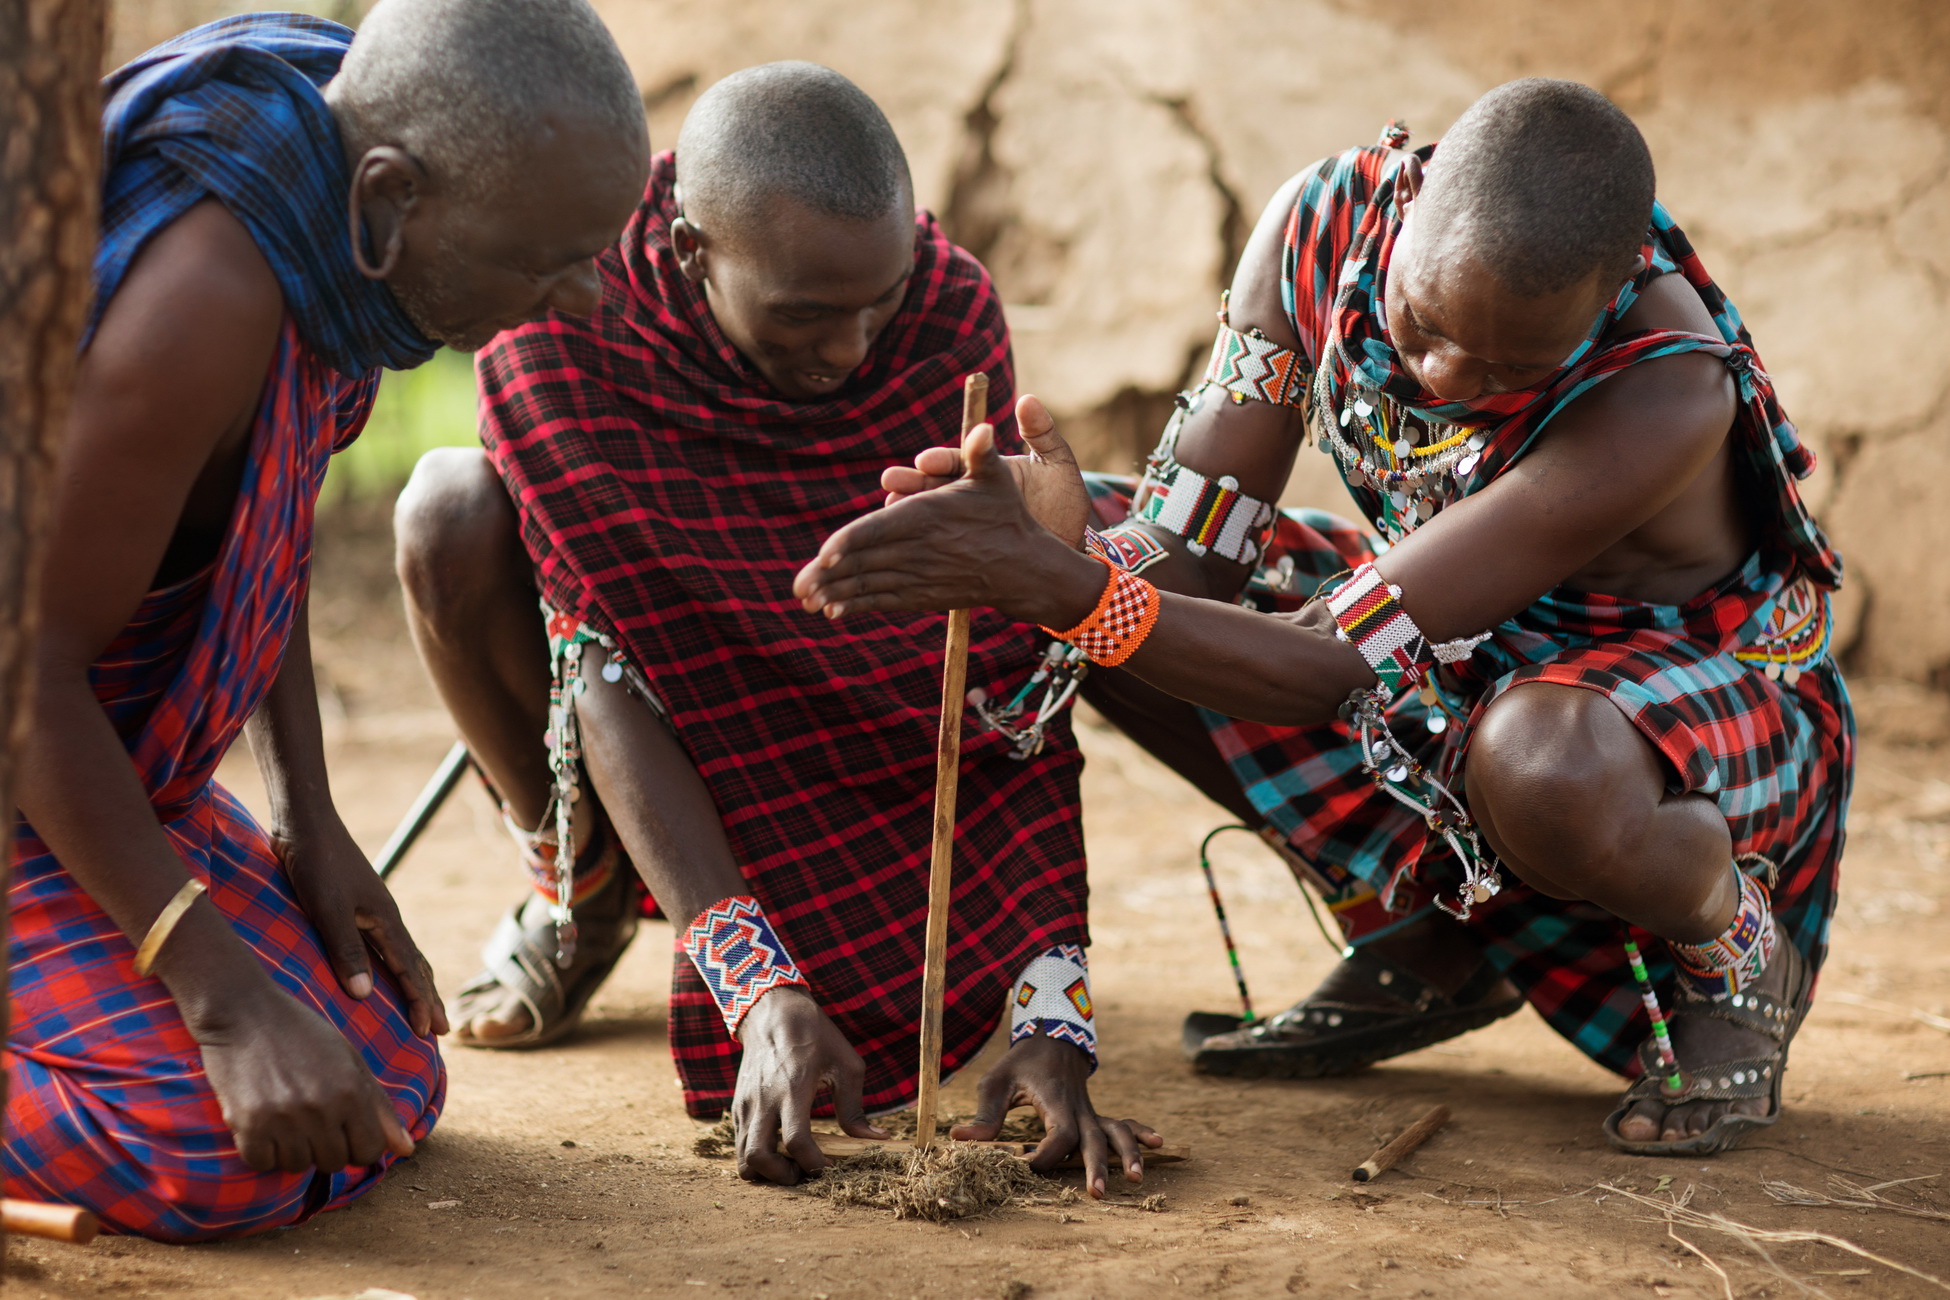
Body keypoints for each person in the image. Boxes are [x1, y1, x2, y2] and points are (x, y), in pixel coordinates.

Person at [794, 79, 1852, 1158]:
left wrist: (1057, 586)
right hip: (1442, 633)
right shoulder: (1316, 228)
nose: (1443, 377)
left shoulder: (1665, 389)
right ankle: (1435, 929)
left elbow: (1335, 663)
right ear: (1405, 219)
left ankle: (1739, 946)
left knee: (1540, 759)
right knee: (1098, 577)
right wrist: (1069, 549)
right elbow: (1193, 551)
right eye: (1423, 325)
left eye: (1506, 367)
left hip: (1671, 700)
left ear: (1614, 290)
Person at [395, 61, 1160, 1195]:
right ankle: (581, 888)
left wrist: (1054, 1003)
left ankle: (673, 903)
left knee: (1122, 544)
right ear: (694, 249)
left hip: (867, 747)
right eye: (805, 312)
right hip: (654, 736)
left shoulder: (947, 312)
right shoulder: (566, 328)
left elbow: (998, 672)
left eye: (876, 303)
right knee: (447, 511)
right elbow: (603, 663)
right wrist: (757, 986)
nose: (853, 349)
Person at [8, 1, 648, 1241]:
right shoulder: (202, 304)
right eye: (546, 259)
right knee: (207, 1140)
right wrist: (223, 999)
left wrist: (310, 819)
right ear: (395, 194)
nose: (584, 302)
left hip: (107, 767)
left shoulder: (333, 195)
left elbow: (264, 515)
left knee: (385, 1067)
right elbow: (26, 668)